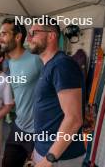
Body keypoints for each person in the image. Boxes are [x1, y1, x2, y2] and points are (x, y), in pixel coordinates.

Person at [28, 17, 85, 167]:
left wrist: (50, 158)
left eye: (34, 33)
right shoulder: (49, 65)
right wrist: (38, 148)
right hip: (47, 151)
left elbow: (74, 118)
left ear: (52, 35)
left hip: (60, 158)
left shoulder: (62, 65)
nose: (29, 38)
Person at [0, 18, 43, 167]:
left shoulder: (36, 60)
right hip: (18, 126)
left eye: (4, 34)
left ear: (17, 37)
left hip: (37, 132)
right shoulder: (10, 62)